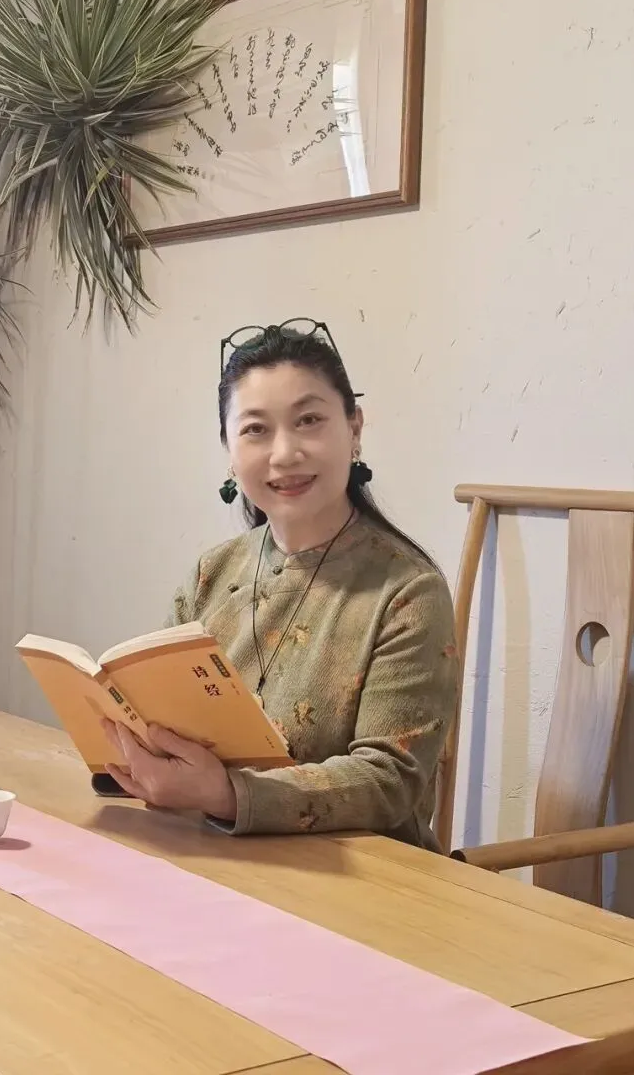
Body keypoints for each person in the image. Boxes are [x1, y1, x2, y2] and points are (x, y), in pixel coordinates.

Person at [99, 318, 458, 851]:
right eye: (255, 429)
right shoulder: (211, 575)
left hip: (359, 877)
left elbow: (388, 782)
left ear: (354, 428)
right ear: (228, 448)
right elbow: (157, 715)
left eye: (308, 420)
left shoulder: (408, 593)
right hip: (209, 855)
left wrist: (228, 794)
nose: (285, 453)